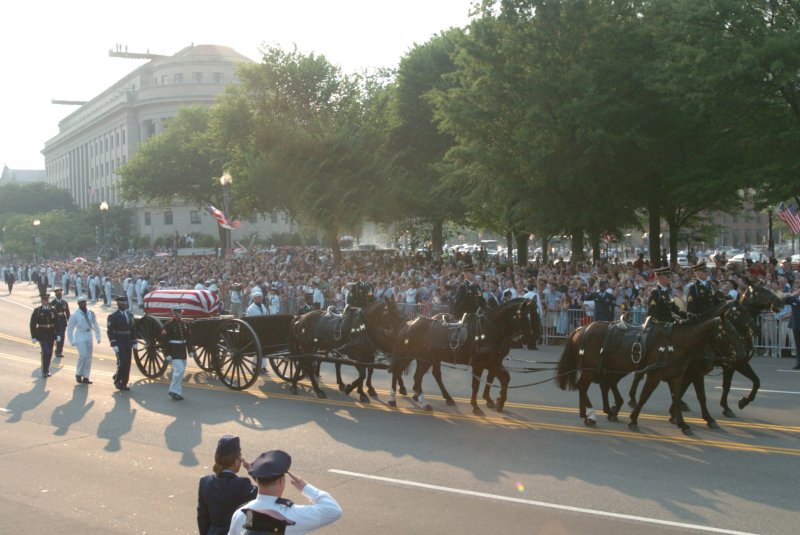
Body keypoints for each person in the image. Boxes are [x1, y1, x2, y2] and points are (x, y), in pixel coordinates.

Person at [227, 450, 342, 535]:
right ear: (281, 481)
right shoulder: (291, 515)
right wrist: (306, 488)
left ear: (257, 480)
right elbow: (333, 510)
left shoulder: (240, 513)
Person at [198, 435, 257, 535]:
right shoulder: (242, 485)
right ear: (236, 461)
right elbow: (265, 494)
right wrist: (252, 471)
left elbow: (203, 517)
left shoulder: (205, 482)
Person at [160, 305, 195, 400]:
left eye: (181, 312)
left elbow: (189, 338)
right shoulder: (168, 325)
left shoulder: (185, 324)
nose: (180, 314)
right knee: (178, 370)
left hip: (182, 351)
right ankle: (172, 390)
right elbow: (164, 341)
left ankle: (177, 392)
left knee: (181, 372)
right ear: (174, 313)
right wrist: (167, 354)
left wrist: (190, 350)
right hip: (173, 350)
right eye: (178, 312)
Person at [66, 295, 101, 384]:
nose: (83, 304)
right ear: (78, 304)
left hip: (89, 334)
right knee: (83, 355)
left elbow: (95, 325)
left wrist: (98, 336)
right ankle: (78, 374)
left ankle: (86, 376)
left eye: (84, 302)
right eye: (81, 302)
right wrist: (71, 340)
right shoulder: (75, 314)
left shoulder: (90, 313)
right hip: (80, 335)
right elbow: (70, 328)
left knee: (89, 357)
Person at [107, 295, 135, 391]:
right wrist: (113, 343)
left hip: (127, 341)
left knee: (127, 363)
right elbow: (110, 331)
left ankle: (124, 383)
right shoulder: (113, 316)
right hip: (119, 340)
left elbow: (133, 329)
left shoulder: (130, 315)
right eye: (122, 304)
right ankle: (117, 380)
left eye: (125, 303)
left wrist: (134, 341)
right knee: (122, 361)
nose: (124, 305)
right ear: (118, 304)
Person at [30, 292, 58, 377]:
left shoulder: (53, 310)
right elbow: (32, 324)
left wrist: (59, 334)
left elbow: (57, 322)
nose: (46, 301)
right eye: (44, 300)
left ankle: (47, 368)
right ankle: (44, 370)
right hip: (42, 335)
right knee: (45, 351)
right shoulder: (38, 311)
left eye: (47, 299)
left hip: (51, 334)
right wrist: (33, 336)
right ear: (42, 301)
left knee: (49, 353)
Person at [51, 287, 71, 359]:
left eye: (60, 294)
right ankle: (56, 350)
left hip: (62, 321)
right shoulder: (52, 303)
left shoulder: (64, 303)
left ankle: (59, 351)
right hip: (55, 322)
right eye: (58, 294)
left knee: (62, 337)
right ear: (56, 295)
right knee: (57, 337)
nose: (60, 296)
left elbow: (67, 312)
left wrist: (70, 321)